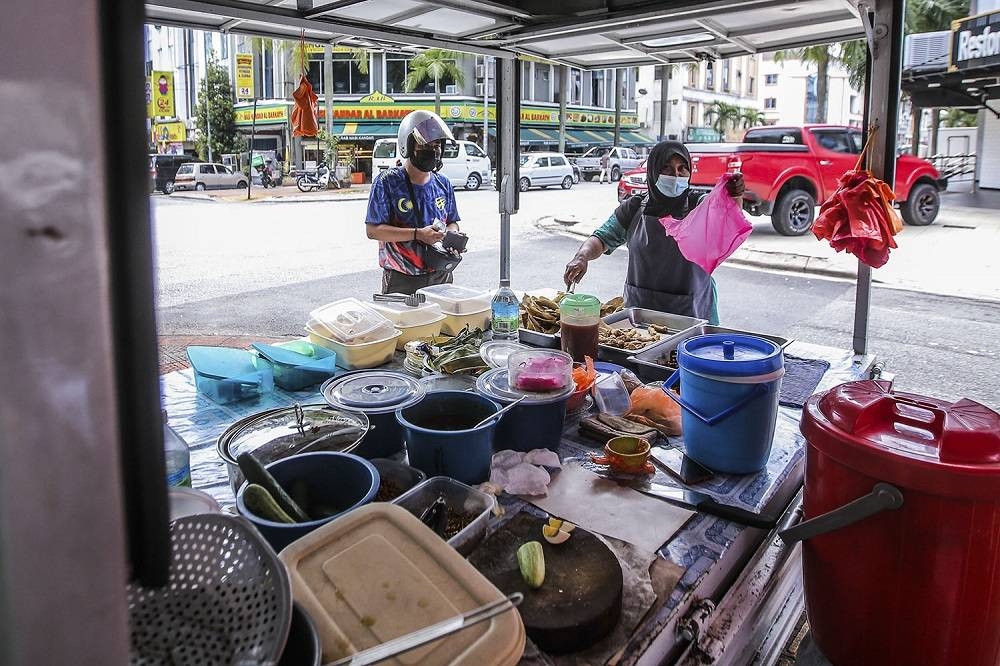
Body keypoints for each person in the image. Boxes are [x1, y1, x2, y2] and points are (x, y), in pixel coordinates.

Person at [562, 140, 744, 324]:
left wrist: (734, 195)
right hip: (640, 319)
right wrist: (582, 256)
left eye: (682, 169)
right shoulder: (634, 208)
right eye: (667, 169)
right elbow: (601, 238)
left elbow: (728, 219)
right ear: (653, 171)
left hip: (693, 316)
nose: (676, 175)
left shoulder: (699, 206)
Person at [365, 110, 464, 295]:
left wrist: (452, 235)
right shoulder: (387, 182)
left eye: (437, 145)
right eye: (425, 144)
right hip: (402, 279)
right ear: (409, 145)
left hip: (441, 275)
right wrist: (418, 234)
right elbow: (373, 231)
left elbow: (452, 222)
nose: (432, 150)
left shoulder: (443, 183)